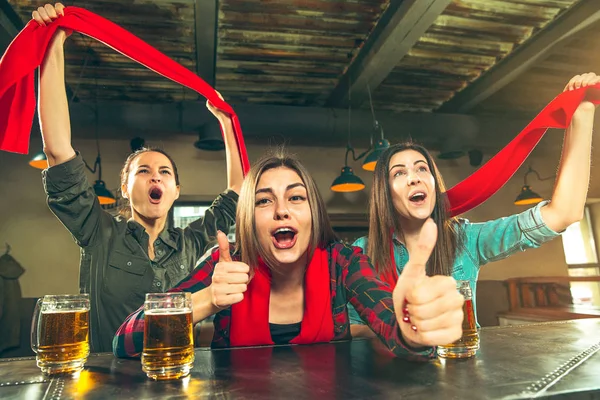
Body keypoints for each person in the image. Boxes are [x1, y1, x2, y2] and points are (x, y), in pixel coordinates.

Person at [32, 3, 244, 352]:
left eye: (164, 172)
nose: (154, 177)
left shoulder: (192, 243)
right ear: (126, 189)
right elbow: (58, 150)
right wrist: (55, 41)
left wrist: (225, 121)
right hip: (106, 378)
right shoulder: (98, 231)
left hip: (176, 373)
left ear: (176, 190)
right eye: (142, 171)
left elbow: (237, 190)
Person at [113, 150, 465, 359]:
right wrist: (208, 300)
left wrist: (415, 331)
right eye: (265, 200)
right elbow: (125, 340)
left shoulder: (342, 261)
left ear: (314, 213)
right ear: (249, 217)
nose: (282, 210)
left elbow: (395, 329)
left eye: (296, 198)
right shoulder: (226, 263)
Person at [349, 73, 599, 337]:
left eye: (422, 169)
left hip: (459, 366)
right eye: (399, 173)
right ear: (384, 193)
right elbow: (352, 327)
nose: (414, 178)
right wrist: (405, 331)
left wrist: (581, 116)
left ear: (434, 185)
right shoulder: (362, 252)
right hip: (387, 374)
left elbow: (564, 213)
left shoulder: (465, 239)